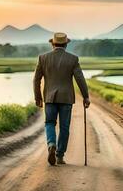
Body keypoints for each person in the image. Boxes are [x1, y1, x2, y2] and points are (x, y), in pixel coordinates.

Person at [33, 32, 90, 165]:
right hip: (66, 98)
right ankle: (59, 155)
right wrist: (86, 96)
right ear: (65, 44)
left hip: (49, 98)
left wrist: (38, 97)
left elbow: (36, 79)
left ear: (52, 44)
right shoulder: (73, 59)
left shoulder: (43, 58)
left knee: (49, 123)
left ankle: (51, 143)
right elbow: (80, 79)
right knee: (64, 127)